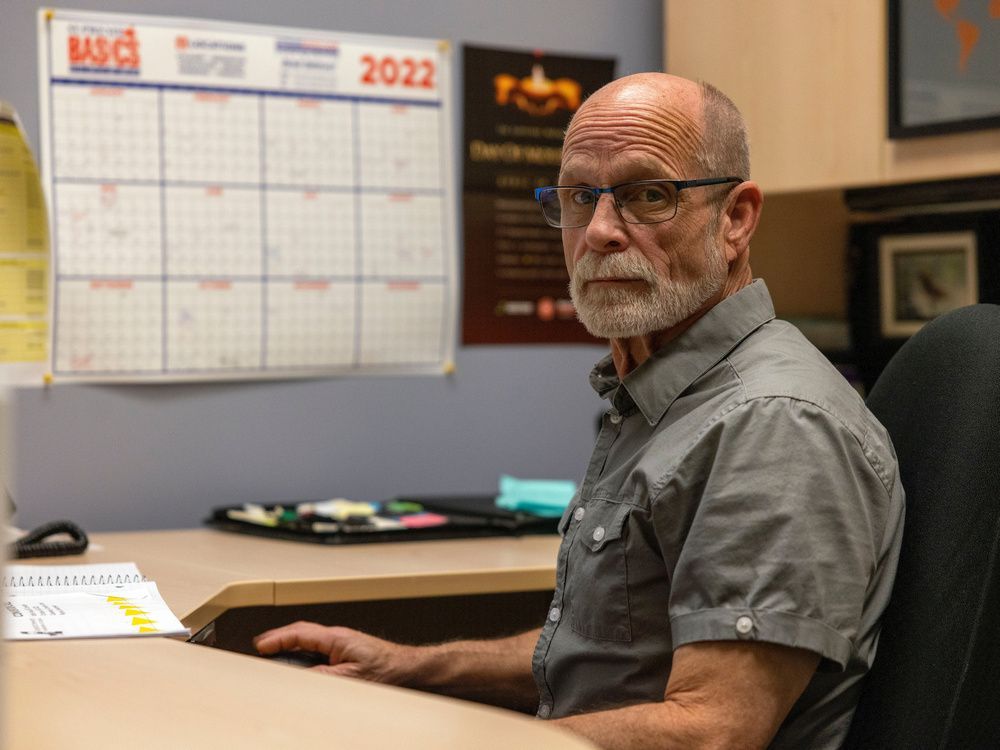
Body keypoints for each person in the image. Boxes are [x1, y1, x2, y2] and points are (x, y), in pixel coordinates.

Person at [255, 73, 905, 749]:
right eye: (577, 198)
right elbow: (608, 651)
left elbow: (713, 730)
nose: (598, 232)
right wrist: (409, 666)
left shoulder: (772, 422)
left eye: (647, 196)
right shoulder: (667, 395)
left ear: (736, 218)